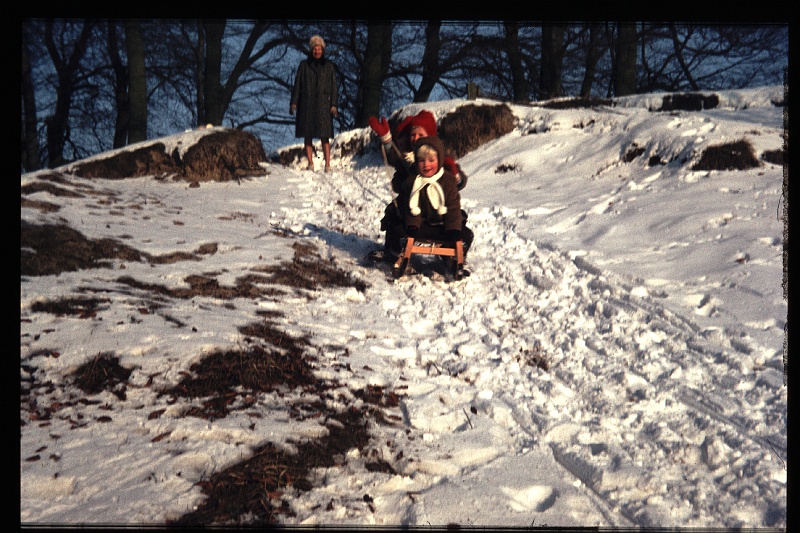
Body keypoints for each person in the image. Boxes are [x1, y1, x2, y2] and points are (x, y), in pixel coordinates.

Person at [368, 110, 468, 261]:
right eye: (412, 135)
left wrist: (456, 175)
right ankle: (392, 249)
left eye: (421, 135)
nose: (415, 139)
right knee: (394, 214)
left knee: (460, 220)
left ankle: (451, 254)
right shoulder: (410, 158)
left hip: (437, 210)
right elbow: (396, 159)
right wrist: (387, 140)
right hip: (413, 209)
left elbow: (455, 184)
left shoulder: (440, 157)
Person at [383, 136, 474, 265]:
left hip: (442, 226)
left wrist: (453, 229)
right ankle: (395, 255)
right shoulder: (413, 181)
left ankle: (453, 259)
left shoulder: (447, 181)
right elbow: (411, 206)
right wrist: (413, 225)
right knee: (398, 232)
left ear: (440, 159)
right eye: (422, 161)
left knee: (466, 235)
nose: (426, 165)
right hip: (420, 225)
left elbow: (453, 207)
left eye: (431, 160)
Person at [290, 35, 338, 172]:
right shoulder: (304, 66)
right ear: (311, 50)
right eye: (314, 49)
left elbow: (334, 87)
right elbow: (297, 84)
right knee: (308, 134)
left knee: (325, 136)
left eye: (319, 49)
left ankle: (328, 164)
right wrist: (294, 102)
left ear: (322, 50)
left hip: (323, 105)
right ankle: (311, 163)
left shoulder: (329, 66)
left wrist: (333, 104)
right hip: (307, 104)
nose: (317, 51)